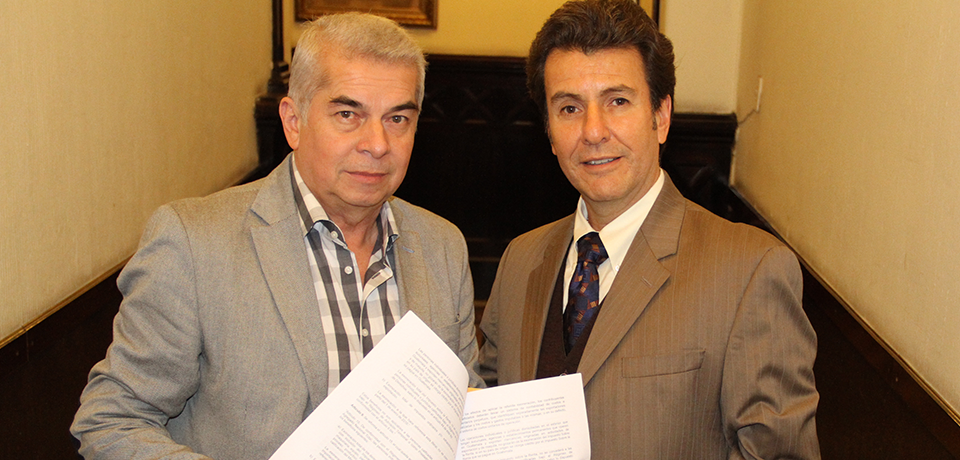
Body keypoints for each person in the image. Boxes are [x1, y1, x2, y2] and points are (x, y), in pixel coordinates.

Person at [71, 13, 481, 459]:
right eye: (348, 114)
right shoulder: (195, 244)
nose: (378, 144)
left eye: (397, 118)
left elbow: (463, 414)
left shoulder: (443, 246)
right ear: (293, 121)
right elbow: (112, 422)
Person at [477, 0, 820, 458]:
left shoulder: (750, 271)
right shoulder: (521, 259)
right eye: (569, 108)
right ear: (549, 132)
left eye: (617, 101)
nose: (593, 132)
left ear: (660, 116)